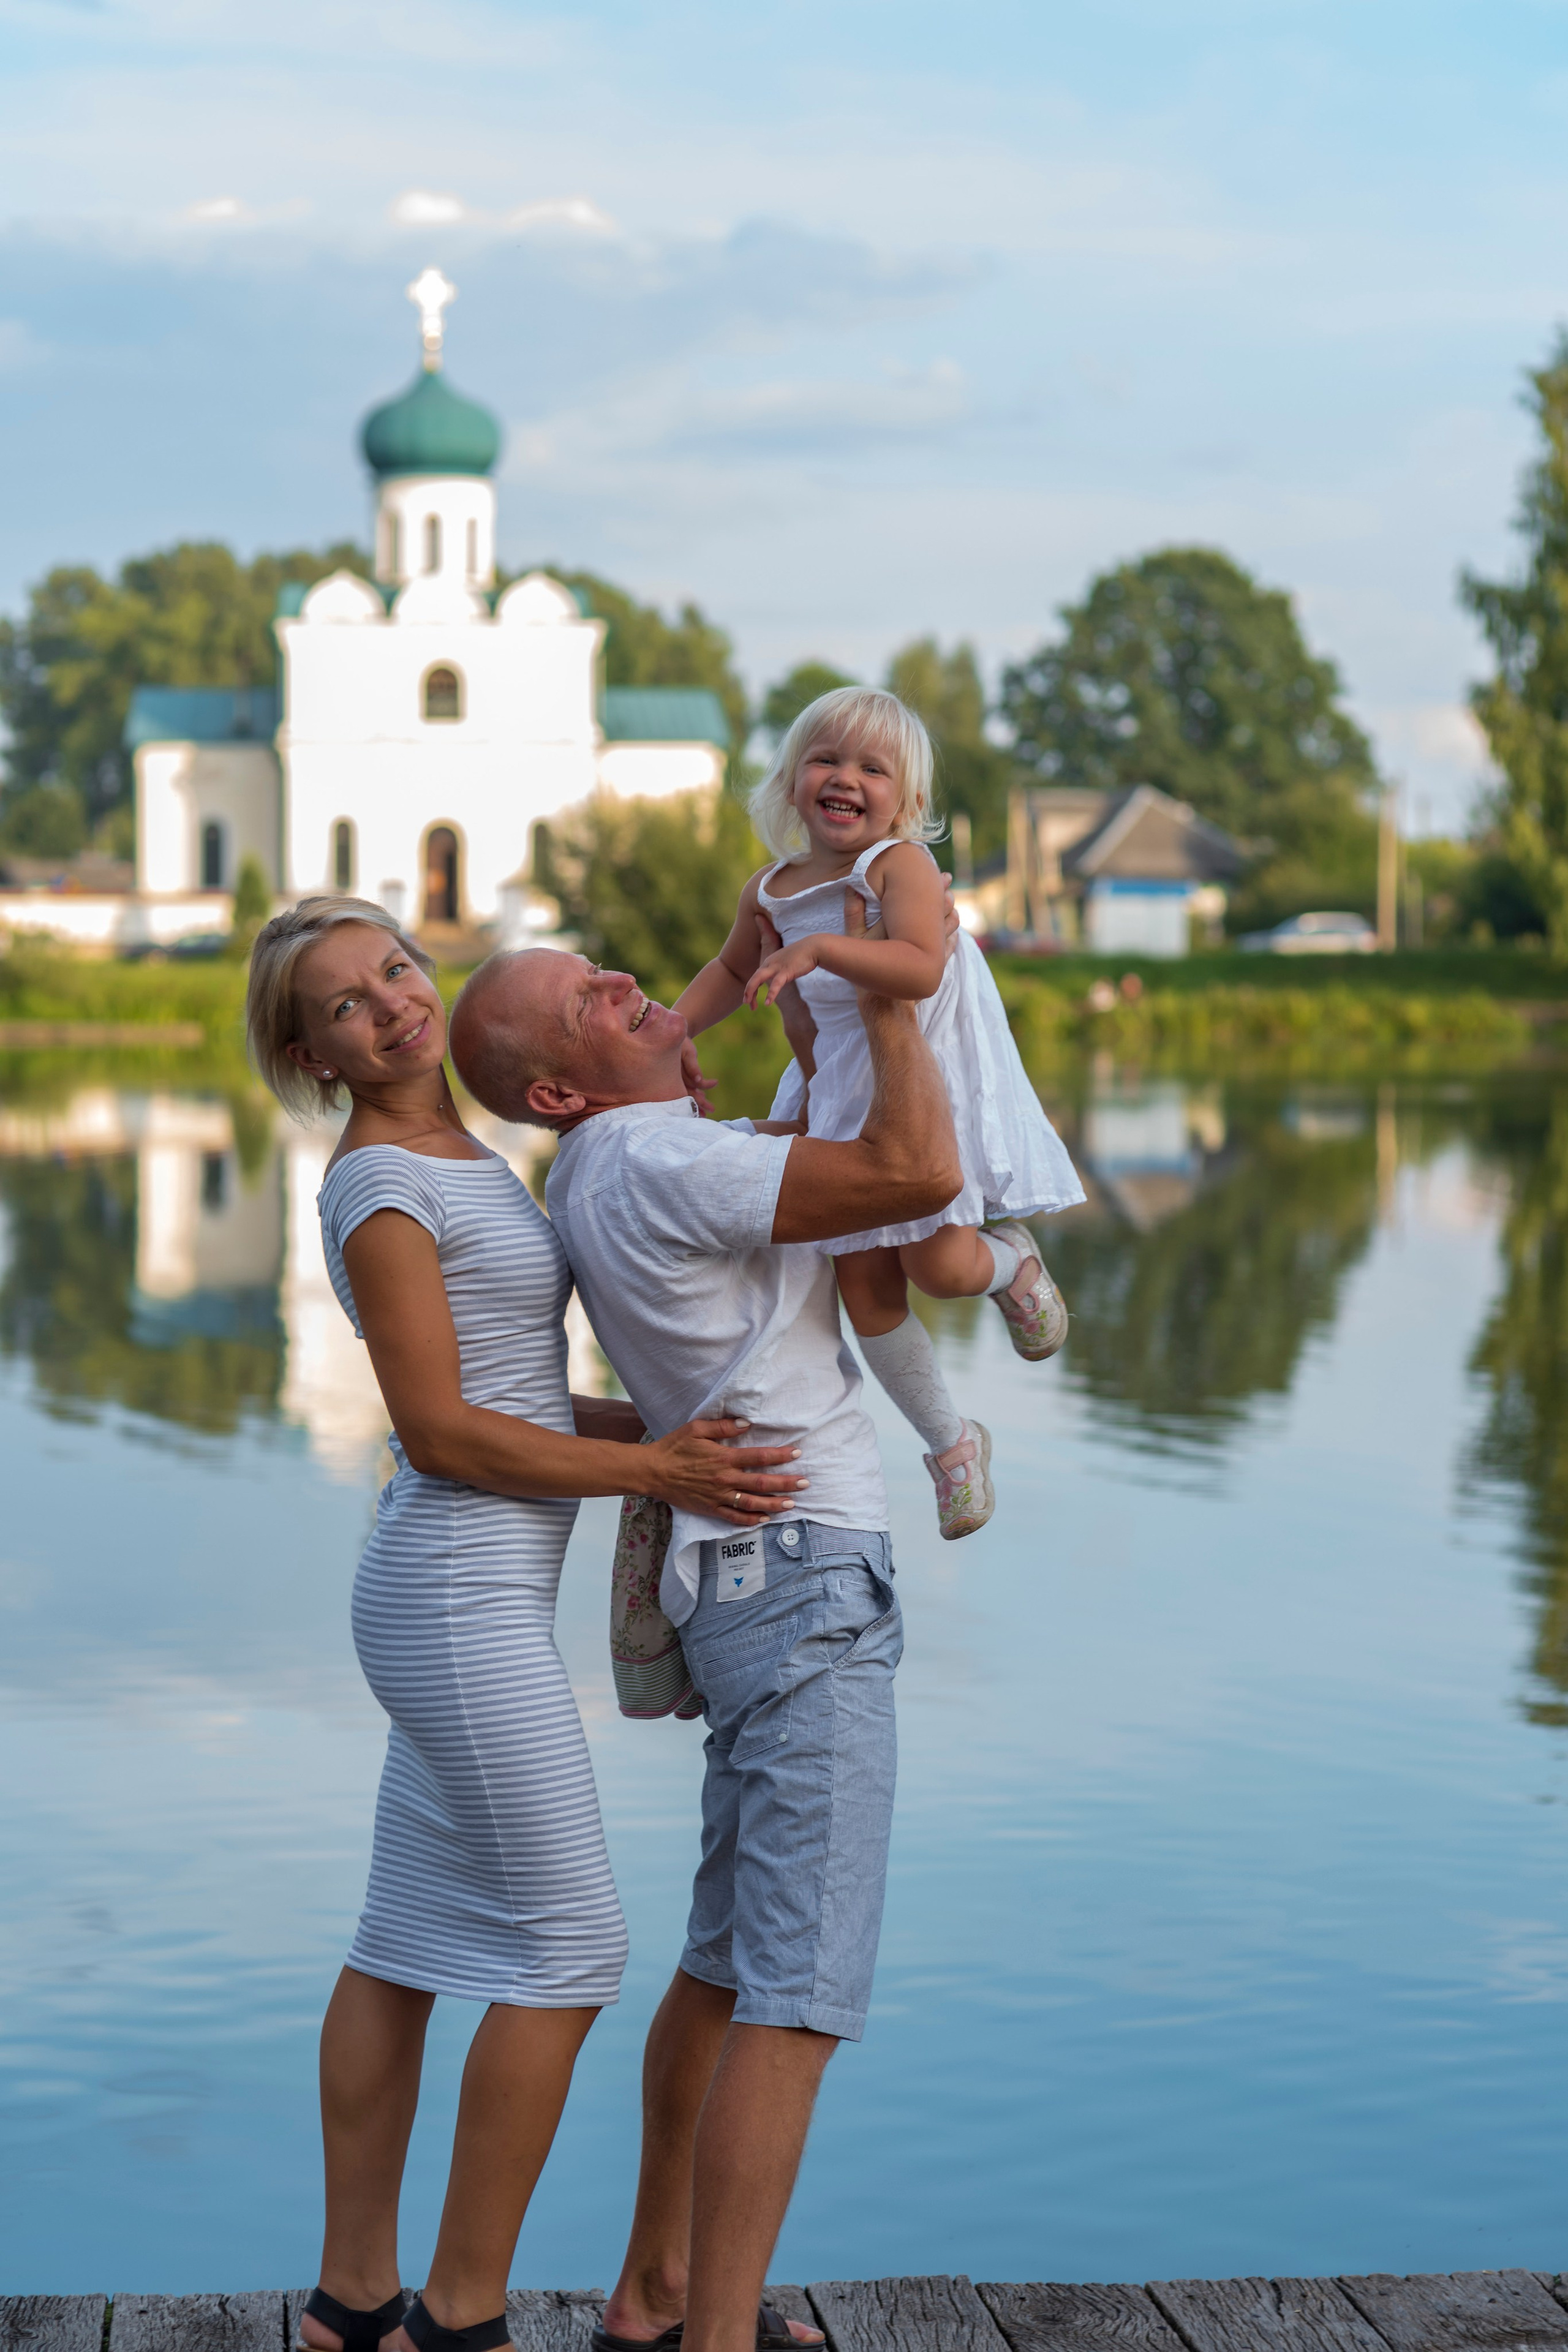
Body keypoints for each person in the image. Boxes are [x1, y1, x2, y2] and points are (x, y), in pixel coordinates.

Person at [243, 895, 808, 2352]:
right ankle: (462, 2312)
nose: (388, 1005)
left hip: (457, 1590)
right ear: (312, 1057)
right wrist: (654, 1469)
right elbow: (438, 1434)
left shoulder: (464, 1159)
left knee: (404, 1943)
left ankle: (351, 2304)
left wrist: (656, 1422)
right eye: (346, 1007)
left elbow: (510, 1393)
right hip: (451, 1595)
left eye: (393, 971)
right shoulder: (380, 1187)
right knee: (567, 1951)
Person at [448, 935, 961, 2352]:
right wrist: (890, 1002)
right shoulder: (650, 1163)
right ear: (558, 1091)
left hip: (750, 1582)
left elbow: (813, 1178)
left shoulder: (629, 1161)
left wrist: (792, 1059)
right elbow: (915, 1175)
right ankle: (712, 2336)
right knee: (795, 1999)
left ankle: (660, 2292)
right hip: (800, 1584)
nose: (624, 986)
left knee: (731, 1963)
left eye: (607, 971)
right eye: (589, 1003)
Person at [674, 685, 1085, 1542]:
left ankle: (1010, 1266)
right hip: (833, 1086)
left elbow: (918, 967)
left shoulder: (895, 867)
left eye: (873, 767)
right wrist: (673, 1033)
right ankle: (952, 1445)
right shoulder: (772, 889)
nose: (846, 778)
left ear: (909, 801)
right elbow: (726, 969)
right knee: (864, 1286)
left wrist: (822, 948)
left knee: (936, 1267)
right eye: (826, 759)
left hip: (918, 1079)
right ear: (791, 781)